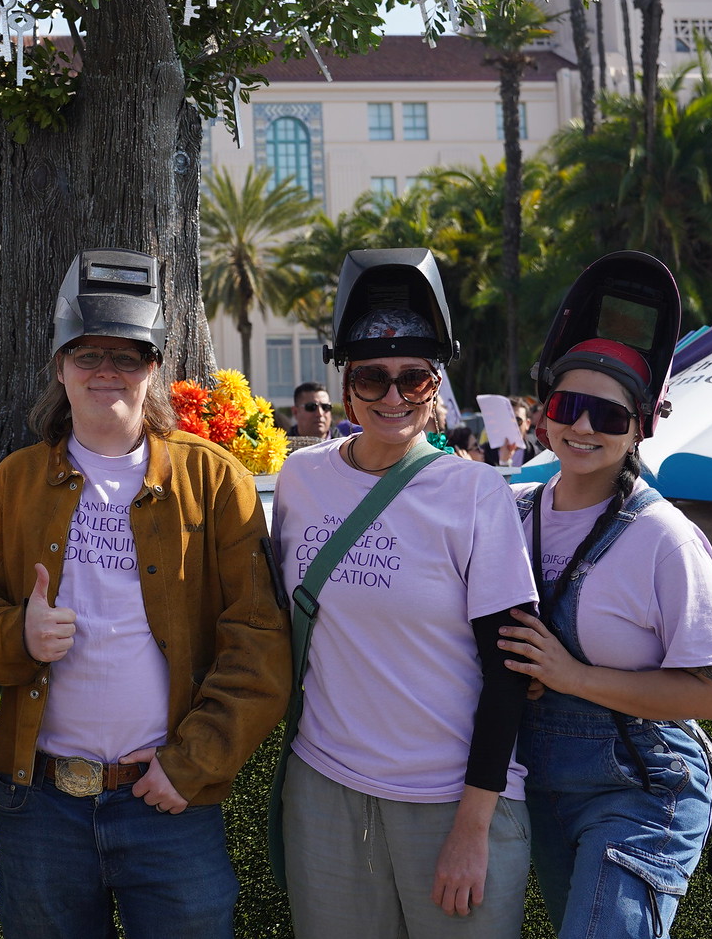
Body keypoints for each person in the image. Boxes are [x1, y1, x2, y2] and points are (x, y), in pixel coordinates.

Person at [0, 248, 289, 939]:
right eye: (87, 354)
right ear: (60, 366)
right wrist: (18, 635)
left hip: (168, 802)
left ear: (155, 366)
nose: (106, 371)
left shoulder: (215, 481)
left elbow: (258, 641)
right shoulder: (13, 483)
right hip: (40, 805)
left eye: (127, 356)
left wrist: (189, 765)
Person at [270, 249, 536, 938]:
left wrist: (473, 828)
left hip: (451, 801)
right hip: (325, 792)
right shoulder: (300, 480)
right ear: (347, 385)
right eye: (373, 377)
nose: (394, 396)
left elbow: (510, 672)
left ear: (436, 382)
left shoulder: (477, 493)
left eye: (414, 376)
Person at [499, 252, 712, 939]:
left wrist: (571, 675)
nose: (583, 427)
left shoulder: (664, 537)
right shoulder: (509, 509)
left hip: (642, 789)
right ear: (544, 411)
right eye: (567, 406)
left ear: (640, 425)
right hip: (539, 784)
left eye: (607, 414)